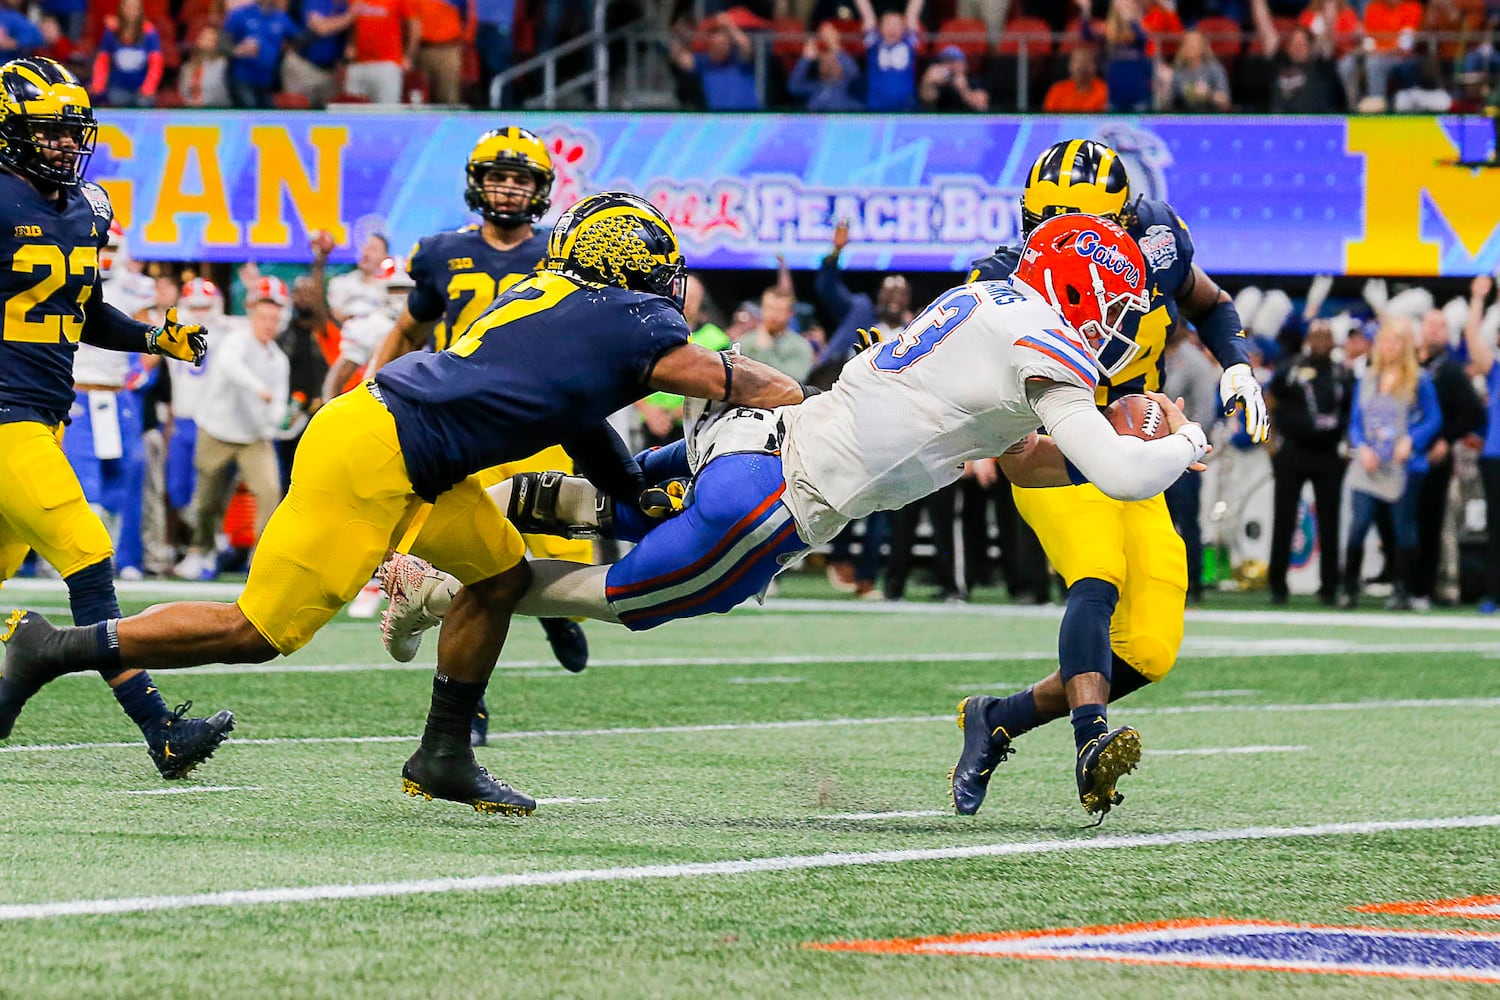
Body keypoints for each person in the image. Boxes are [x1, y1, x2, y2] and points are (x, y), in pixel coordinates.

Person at [0, 193, 811, 815]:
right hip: (378, 452)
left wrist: (632, 486)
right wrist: (816, 406)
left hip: (411, 448)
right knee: (258, 632)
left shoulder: (560, 300)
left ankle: (443, 755)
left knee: (496, 579)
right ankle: (52, 648)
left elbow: (580, 415)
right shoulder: (624, 317)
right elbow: (746, 382)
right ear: (634, 266)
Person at [380, 215, 1212, 818]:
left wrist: (1117, 435)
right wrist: (1187, 439)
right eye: (1115, 302)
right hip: (781, 501)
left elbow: (1023, 455)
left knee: (620, 495)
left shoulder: (984, 300)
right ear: (1084, 285)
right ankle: (438, 591)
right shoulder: (1051, 350)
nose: (1116, 321)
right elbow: (1125, 476)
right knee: (612, 594)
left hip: (759, 436)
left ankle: (464, 518)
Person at [954, 138, 1268, 818]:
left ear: (1121, 224)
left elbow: (1209, 302)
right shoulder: (1002, 278)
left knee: (1151, 649)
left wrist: (1236, 362)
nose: (1057, 240)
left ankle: (998, 717)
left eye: (1081, 227)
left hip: (1137, 445)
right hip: (1051, 448)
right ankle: (1091, 740)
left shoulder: (1157, 237)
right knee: (1097, 577)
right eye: (1048, 223)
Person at [0, 57, 232, 777]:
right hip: (5, 413)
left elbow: (85, 308)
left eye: (73, 133)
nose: (67, 145)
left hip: (44, 412)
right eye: (50, 132)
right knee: (88, 549)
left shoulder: (87, 208)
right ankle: (160, 728)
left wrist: (152, 337)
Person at [365, 128, 594, 742]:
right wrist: (374, 383)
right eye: (499, 177)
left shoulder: (559, 253)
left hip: (537, 420)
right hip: (462, 425)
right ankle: (472, 699)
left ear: (540, 190)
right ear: (477, 183)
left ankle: (554, 618)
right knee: (462, 568)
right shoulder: (442, 252)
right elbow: (411, 326)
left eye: (521, 179)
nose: (509, 188)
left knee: (556, 553)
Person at [176, 277, 291, 582]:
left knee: (269, 492)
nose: (269, 324)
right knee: (206, 501)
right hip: (217, 430)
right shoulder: (235, 341)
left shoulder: (278, 360)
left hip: (254, 437)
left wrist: (275, 420)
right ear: (253, 316)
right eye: (264, 317)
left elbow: (279, 401)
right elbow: (229, 366)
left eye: (274, 319)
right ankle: (200, 550)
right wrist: (257, 389)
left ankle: (261, 558)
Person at [1341, 316, 1440, 609]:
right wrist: (1361, 447)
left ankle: (1403, 589)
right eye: (1384, 342)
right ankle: (1349, 587)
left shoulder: (1419, 380)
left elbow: (1434, 418)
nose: (1388, 348)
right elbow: (1356, 423)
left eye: (1395, 342)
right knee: (1358, 524)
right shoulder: (1368, 379)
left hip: (1403, 466)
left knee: (1403, 526)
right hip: (1369, 463)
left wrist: (1413, 440)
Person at [1265, 318, 1353, 605]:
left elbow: (1353, 411)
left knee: (1330, 521)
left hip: (1328, 454)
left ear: (1334, 341)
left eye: (1326, 335)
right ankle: (1277, 583)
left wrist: (1348, 446)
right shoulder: (1290, 369)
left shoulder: (1342, 373)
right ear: (1307, 338)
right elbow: (1269, 400)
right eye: (1315, 335)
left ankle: (1329, 586)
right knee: (1284, 518)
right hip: (1292, 451)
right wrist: (1271, 443)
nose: (1320, 341)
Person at [1412, 308, 1483, 609]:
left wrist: (1446, 438)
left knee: (1433, 524)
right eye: (1430, 325)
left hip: (1434, 458)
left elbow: (1474, 413)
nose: (1435, 331)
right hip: (1400, 457)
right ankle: (1403, 581)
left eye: (1441, 326)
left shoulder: (1452, 371)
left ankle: (1429, 587)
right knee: (1402, 523)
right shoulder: (1407, 366)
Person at [1464, 275, 1500, 614]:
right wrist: (1478, 298)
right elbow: (1473, 338)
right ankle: (1493, 592)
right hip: (1496, 456)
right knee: (1496, 528)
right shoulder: (1496, 369)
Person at [89, 0, 162, 107]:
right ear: (121, 9)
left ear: (140, 10)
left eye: (135, 7)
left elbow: (156, 64)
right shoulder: (111, 31)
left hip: (142, 91)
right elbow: (102, 60)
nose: (131, 11)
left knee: (144, 103)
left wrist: (148, 88)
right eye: (128, 7)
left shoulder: (149, 32)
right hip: (117, 88)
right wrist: (98, 85)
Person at [855, 0, 924, 112]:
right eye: (888, 24)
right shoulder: (873, 42)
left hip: (906, 109)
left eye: (897, 24)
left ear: (904, 28)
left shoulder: (909, 41)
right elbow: (868, 16)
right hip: (876, 109)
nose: (892, 29)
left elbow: (913, 13)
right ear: (880, 28)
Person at [919, 44, 989, 111]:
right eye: (947, 61)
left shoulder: (975, 81)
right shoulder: (940, 85)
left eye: (955, 61)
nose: (952, 66)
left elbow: (981, 104)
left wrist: (963, 90)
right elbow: (927, 99)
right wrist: (928, 81)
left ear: (964, 65)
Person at [1043, 46, 1109, 113]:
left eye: (1086, 61)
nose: (1081, 66)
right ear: (1070, 66)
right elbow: (1047, 119)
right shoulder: (1056, 90)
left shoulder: (1105, 90)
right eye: (1077, 61)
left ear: (1094, 67)